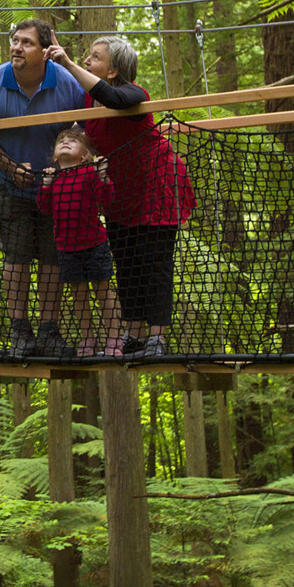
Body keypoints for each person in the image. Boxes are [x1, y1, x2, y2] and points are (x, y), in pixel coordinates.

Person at [47, 34, 196, 357]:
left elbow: (114, 100)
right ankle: (134, 335)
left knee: (153, 264)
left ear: (113, 70)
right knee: (126, 263)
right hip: (119, 193)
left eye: (95, 57)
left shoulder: (134, 94)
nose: (87, 60)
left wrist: (68, 62)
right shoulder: (87, 103)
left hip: (157, 188)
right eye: (86, 56)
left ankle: (156, 338)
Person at [0, 18, 85, 357]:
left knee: (53, 260)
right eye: (15, 40)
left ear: (46, 51)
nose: (16, 47)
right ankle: (20, 332)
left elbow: (80, 128)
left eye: (27, 43)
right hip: (9, 186)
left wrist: (62, 166)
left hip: (57, 189)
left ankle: (49, 332)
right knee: (15, 259)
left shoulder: (66, 84)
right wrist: (11, 168)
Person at [38, 127, 123, 356]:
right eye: (61, 141)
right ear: (56, 156)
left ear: (84, 155)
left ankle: (114, 338)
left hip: (95, 243)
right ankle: (88, 338)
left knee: (103, 290)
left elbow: (106, 201)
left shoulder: (89, 173)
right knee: (78, 294)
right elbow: (44, 208)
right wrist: (45, 185)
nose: (65, 142)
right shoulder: (54, 179)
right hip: (67, 248)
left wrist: (103, 175)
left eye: (72, 141)